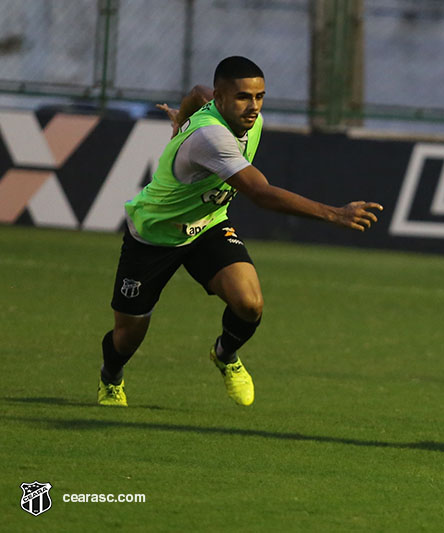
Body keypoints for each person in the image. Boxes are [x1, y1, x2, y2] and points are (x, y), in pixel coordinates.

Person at [97, 56, 382, 407]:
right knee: (127, 338)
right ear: (221, 98)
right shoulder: (211, 137)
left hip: (209, 225)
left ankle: (225, 354)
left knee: (250, 304)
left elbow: (196, 91)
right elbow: (261, 193)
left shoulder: (235, 113)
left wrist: (179, 120)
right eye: (244, 97)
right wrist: (334, 214)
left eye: (260, 96)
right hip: (154, 236)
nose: (254, 107)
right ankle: (111, 377)